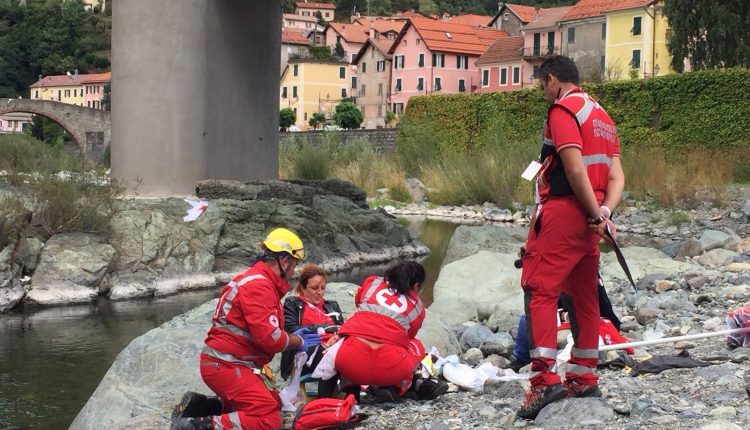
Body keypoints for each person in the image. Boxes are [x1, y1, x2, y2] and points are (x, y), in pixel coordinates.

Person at [516, 55, 625, 420]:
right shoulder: (603, 117)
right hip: (590, 221)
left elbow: (573, 166)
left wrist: (593, 212)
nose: (542, 92)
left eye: (541, 84)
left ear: (552, 79)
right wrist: (603, 214)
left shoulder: (564, 110)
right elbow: (616, 178)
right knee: (585, 295)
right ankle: (583, 375)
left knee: (540, 290)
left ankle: (544, 381)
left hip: (564, 212)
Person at [171, 227, 321, 430]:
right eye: (294, 265)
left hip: (230, 363)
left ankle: (208, 407)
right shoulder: (260, 286)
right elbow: (271, 339)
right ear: (283, 262)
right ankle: (197, 425)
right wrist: (298, 340)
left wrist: (291, 336)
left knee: (273, 403)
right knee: (269, 420)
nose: (294, 271)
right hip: (227, 365)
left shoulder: (257, 280)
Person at [333, 260, 448, 403]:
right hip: (391, 369)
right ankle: (395, 386)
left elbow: (359, 301)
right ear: (416, 285)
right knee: (415, 345)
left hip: (350, 363)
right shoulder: (417, 308)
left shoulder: (372, 282)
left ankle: (350, 390)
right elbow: (408, 337)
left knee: (346, 339)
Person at [280, 263, 345, 397]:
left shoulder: (332, 306)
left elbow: (342, 330)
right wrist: (323, 328)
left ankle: (354, 398)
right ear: (303, 288)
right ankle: (325, 402)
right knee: (330, 354)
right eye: (315, 288)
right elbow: (291, 328)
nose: (320, 292)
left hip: (333, 347)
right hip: (304, 352)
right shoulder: (292, 303)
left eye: (323, 288)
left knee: (353, 348)